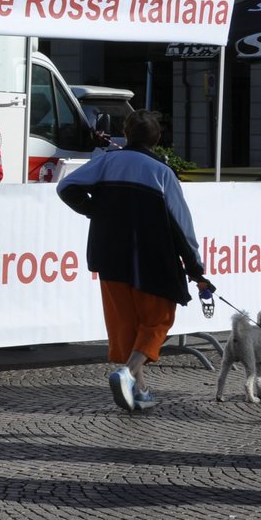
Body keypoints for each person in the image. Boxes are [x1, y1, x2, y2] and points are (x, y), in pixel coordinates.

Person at [57, 109, 215, 413]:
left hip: (109, 256)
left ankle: (139, 390)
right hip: (151, 258)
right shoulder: (162, 172)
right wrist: (195, 268)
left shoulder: (105, 161)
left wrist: (94, 209)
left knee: (127, 327)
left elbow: (65, 187)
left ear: (126, 134)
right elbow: (181, 225)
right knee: (157, 322)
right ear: (156, 139)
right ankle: (128, 374)